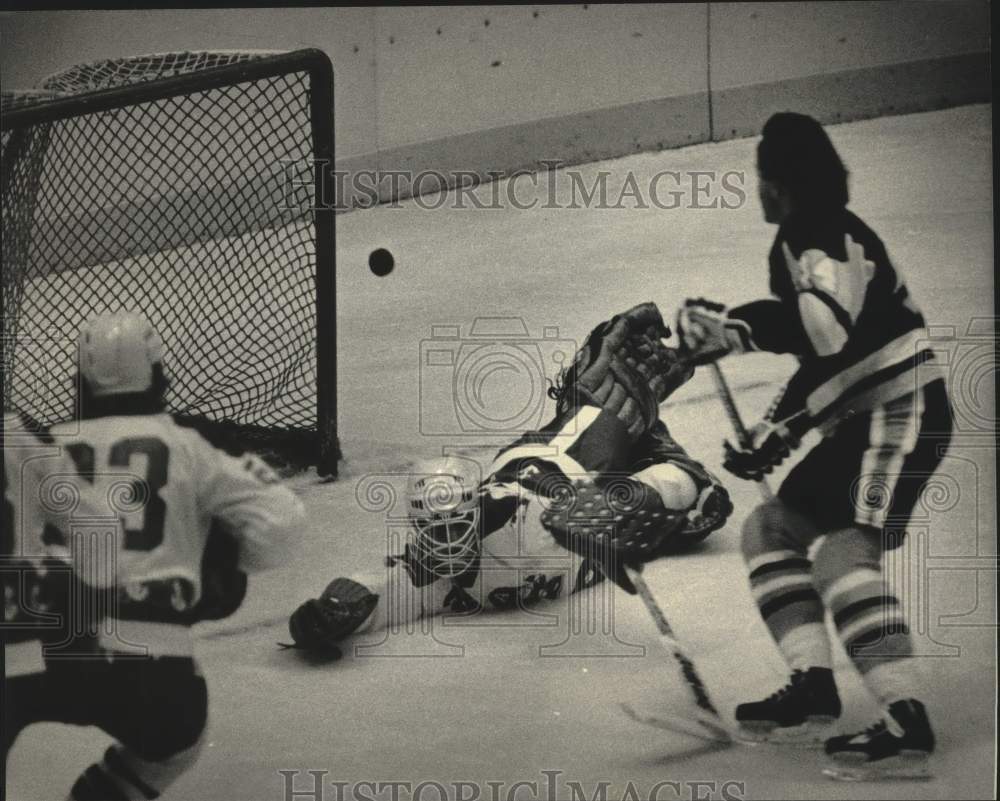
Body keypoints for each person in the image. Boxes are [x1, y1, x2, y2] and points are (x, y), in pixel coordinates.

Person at [677, 112, 952, 780]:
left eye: (762, 176)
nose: (758, 189)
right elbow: (817, 342)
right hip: (860, 417)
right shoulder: (804, 238)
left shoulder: (822, 236)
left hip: (901, 413)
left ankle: (906, 719)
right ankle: (813, 689)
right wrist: (734, 330)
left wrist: (774, 413)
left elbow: (829, 339)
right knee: (770, 526)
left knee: (840, 552)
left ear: (782, 183)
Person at [286, 303, 732, 655]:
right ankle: (653, 447)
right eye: (433, 531)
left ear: (473, 513)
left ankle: (610, 411)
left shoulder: (517, 518)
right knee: (701, 507)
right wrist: (328, 614)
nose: (445, 543)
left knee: (676, 486)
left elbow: (552, 495)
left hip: (553, 464)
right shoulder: (432, 578)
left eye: (453, 527)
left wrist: (604, 505)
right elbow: (375, 593)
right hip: (561, 501)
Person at [2, 310, 305, 801]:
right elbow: (281, 527)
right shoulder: (192, 445)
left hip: (34, 649)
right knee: (175, 745)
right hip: (150, 660)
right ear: (160, 375)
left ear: (79, 383)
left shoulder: (46, 444)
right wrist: (219, 570)